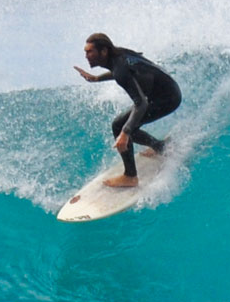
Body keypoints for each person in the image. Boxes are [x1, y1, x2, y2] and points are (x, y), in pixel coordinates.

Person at [74, 33, 181, 188]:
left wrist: (125, 133)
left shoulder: (120, 67)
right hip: (168, 91)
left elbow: (141, 103)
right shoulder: (119, 57)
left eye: (90, 52)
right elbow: (124, 74)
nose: (86, 56)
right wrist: (97, 79)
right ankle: (160, 147)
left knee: (120, 127)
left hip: (167, 99)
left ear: (103, 51)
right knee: (122, 125)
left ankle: (130, 177)